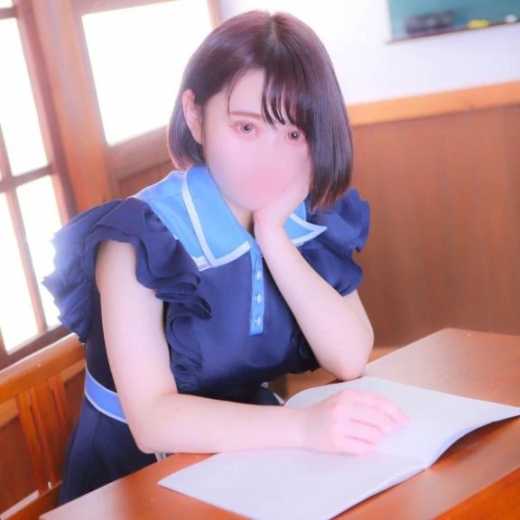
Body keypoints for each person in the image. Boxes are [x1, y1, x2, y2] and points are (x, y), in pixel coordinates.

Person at [42, 9, 410, 505]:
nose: (270, 158)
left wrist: (274, 237)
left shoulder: (300, 216)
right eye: (246, 128)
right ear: (196, 116)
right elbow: (153, 421)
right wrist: (304, 428)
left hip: (249, 455)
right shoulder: (137, 237)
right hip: (134, 482)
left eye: (294, 134)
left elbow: (348, 356)